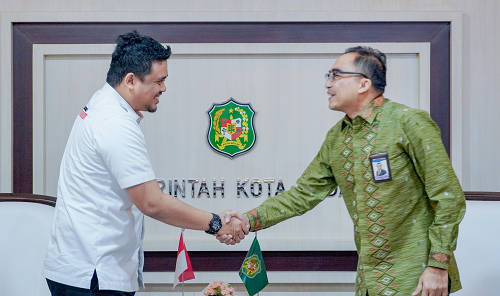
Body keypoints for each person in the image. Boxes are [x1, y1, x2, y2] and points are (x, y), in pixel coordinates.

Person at [219, 46, 466, 296]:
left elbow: (448, 198)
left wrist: (438, 265)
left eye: (336, 75)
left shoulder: (408, 121)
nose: (328, 84)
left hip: (417, 278)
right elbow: (301, 195)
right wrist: (249, 219)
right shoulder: (337, 137)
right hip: (368, 281)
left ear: (363, 84)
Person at [43, 31, 248, 296]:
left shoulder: (103, 104)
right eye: (159, 81)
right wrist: (216, 223)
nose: (164, 88)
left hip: (83, 268)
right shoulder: (115, 123)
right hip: (92, 274)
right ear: (130, 80)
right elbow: (151, 202)